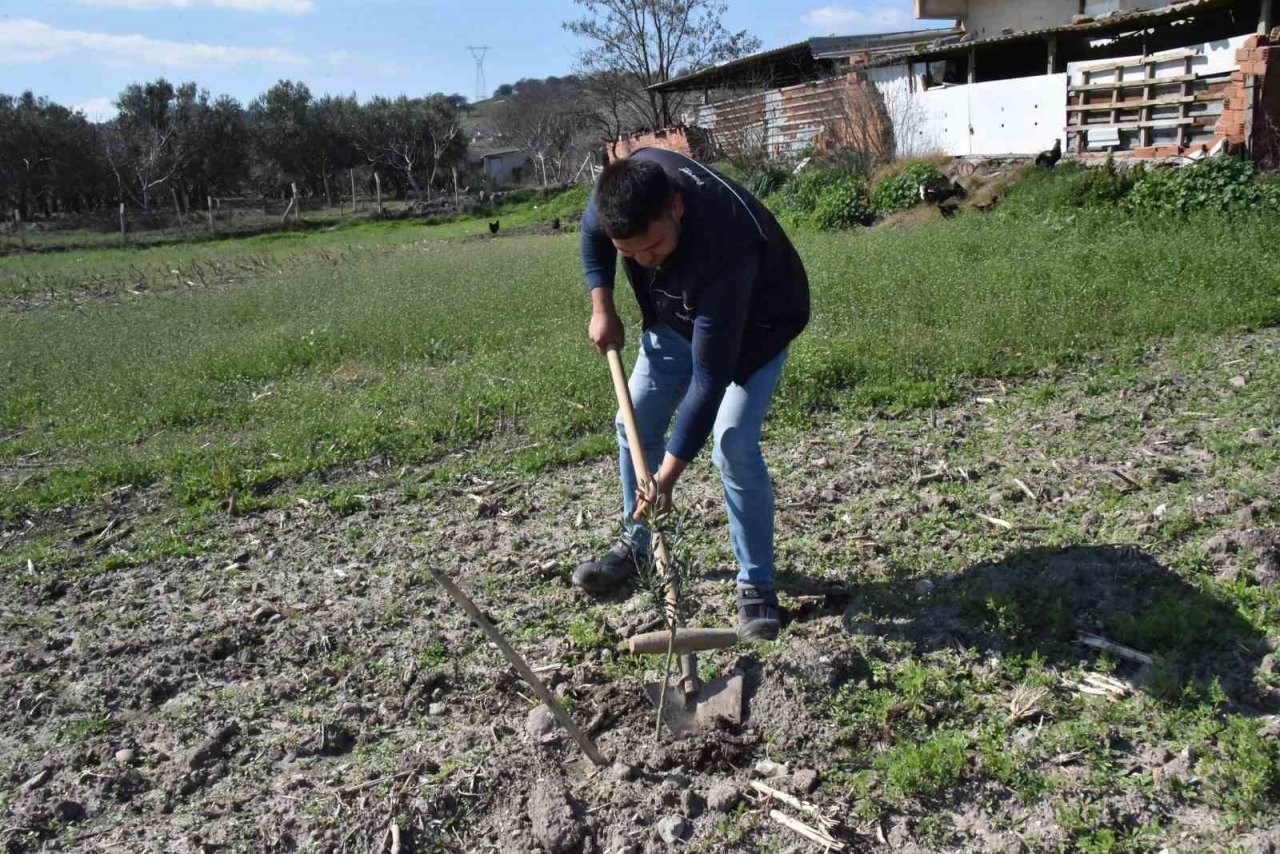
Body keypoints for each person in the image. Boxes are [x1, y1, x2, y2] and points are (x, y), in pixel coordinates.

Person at [572, 147, 810, 641]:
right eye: (630, 253)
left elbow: (709, 379)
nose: (643, 260)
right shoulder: (621, 196)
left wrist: (666, 478)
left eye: (652, 247)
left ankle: (757, 585)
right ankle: (636, 546)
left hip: (757, 325)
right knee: (632, 419)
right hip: (676, 315)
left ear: (676, 208)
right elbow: (592, 233)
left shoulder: (726, 246)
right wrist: (603, 306)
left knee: (733, 444)